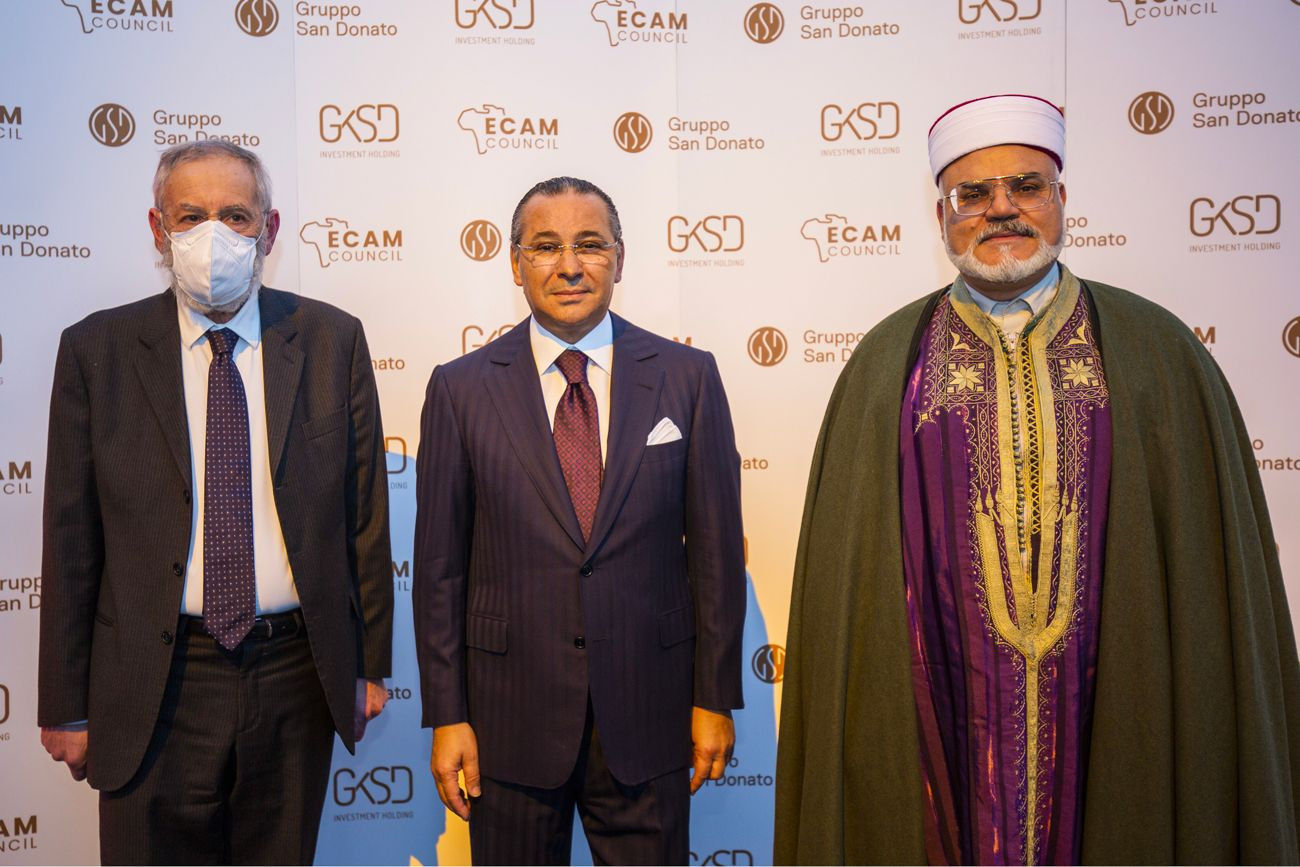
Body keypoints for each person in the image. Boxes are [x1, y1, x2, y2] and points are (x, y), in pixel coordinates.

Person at [774, 94, 1300, 864]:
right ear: (941, 214)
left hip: (1122, 725)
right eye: (973, 195)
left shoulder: (1159, 354)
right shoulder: (888, 367)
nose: (1001, 210)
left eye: (1025, 186)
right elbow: (847, 608)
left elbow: (1215, 596)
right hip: (939, 732)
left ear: (1061, 199)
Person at [37, 140, 393, 865]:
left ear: (269, 229)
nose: (213, 236)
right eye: (190, 215)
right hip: (154, 676)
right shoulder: (97, 349)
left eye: (235, 215)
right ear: (156, 228)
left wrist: (369, 665)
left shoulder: (331, 341)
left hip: (294, 674)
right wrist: (64, 702)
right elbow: (71, 538)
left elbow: (365, 522)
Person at [414, 176, 746, 865]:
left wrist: (715, 696)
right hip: (509, 722)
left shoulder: (688, 376)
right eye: (546, 247)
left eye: (590, 245)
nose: (570, 265)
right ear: (515, 264)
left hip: (650, 717)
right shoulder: (460, 388)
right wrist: (448, 714)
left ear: (620, 258)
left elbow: (715, 556)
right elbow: (440, 570)